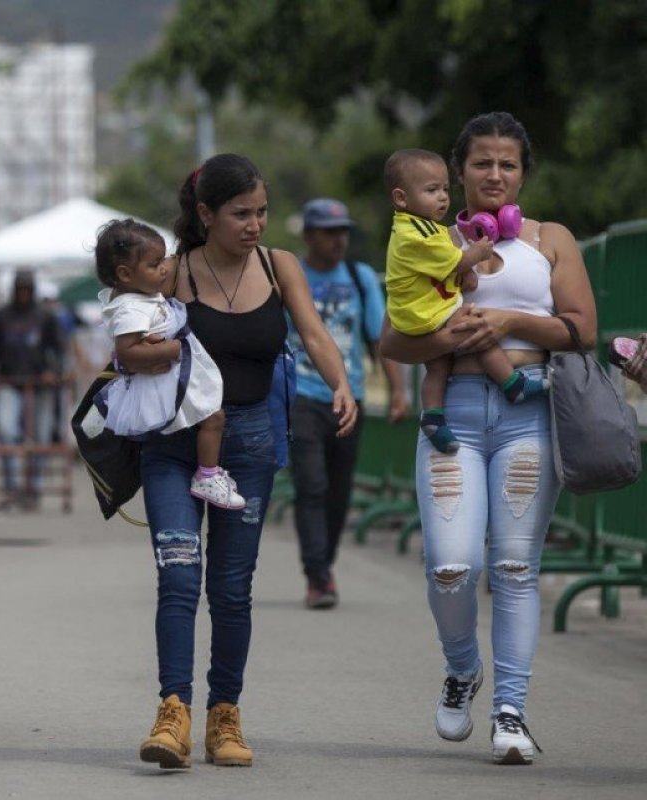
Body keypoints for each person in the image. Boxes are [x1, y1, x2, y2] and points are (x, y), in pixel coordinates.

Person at [379, 111, 597, 765]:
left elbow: (582, 329)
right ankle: (462, 667)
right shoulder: (426, 236)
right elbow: (392, 337)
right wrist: (453, 337)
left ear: (523, 172)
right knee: (450, 567)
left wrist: (503, 319)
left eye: (507, 163)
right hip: (456, 419)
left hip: (529, 415)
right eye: (481, 163)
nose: (494, 174)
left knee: (513, 568)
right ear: (458, 172)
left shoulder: (550, 237)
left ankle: (511, 710)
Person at [133, 154, 357, 770]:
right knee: (179, 577)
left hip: (252, 440)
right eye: (241, 214)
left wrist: (340, 384)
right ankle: (172, 713)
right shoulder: (173, 273)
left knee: (231, 590)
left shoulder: (278, 266)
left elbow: (312, 332)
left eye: (261, 211)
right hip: (174, 445)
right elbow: (129, 342)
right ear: (205, 215)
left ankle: (224, 715)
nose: (255, 224)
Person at [287, 198, 409, 609]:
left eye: (342, 232)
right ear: (308, 236)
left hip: (348, 397)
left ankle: (324, 565)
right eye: (328, 232)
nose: (338, 240)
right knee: (312, 485)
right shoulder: (291, 276)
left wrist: (398, 391)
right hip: (300, 395)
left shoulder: (359, 278)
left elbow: (380, 339)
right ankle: (317, 576)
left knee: (338, 490)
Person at [385, 148, 546, 454]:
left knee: (438, 365)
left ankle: (432, 416)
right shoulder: (417, 232)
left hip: (419, 310)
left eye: (445, 189)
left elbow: (439, 270)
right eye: (432, 190)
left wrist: (463, 275)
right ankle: (512, 384)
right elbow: (455, 260)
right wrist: (479, 252)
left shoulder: (419, 227)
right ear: (401, 199)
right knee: (475, 325)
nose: (443, 198)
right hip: (423, 313)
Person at [93, 218, 244, 509]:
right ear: (125, 274)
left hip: (165, 381)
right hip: (162, 385)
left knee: (212, 418)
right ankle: (208, 475)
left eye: (163, 259)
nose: (164, 267)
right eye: (154, 264)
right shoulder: (131, 308)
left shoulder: (140, 298)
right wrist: (172, 349)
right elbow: (128, 353)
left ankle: (208, 473)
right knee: (213, 417)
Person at [0, 270, 64, 508]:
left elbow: (60, 348)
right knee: (7, 431)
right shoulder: (2, 316)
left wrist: (54, 370)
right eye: (19, 289)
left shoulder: (45, 316)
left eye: (26, 290)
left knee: (40, 437)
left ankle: (34, 488)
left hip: (39, 383)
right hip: (10, 382)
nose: (22, 294)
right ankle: (11, 486)